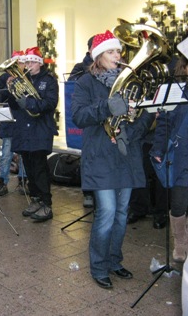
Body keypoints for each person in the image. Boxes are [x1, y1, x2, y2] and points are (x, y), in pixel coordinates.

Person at [71, 30, 154, 289]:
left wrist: (127, 131)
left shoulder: (130, 81)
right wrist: (109, 107)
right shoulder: (86, 82)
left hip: (125, 154)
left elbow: (145, 117)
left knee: (120, 214)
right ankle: (98, 266)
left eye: (118, 51)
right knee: (106, 213)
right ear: (98, 56)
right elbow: (79, 117)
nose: (117, 56)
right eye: (111, 52)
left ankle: (114, 261)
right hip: (100, 156)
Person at [10, 46, 59, 222]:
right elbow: (14, 105)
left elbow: (50, 103)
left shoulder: (49, 80)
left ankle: (47, 204)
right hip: (24, 129)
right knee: (29, 168)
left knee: (40, 168)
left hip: (40, 129)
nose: (29, 65)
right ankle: (36, 200)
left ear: (39, 64)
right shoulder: (22, 79)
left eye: (32, 62)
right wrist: (11, 93)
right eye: (27, 62)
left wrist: (29, 103)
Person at [150, 54, 188, 262]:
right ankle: (180, 243)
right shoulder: (176, 90)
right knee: (179, 201)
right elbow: (164, 121)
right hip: (182, 155)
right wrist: (158, 149)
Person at [0, 50, 28, 197]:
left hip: (23, 118)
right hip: (9, 118)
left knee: (24, 152)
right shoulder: (4, 77)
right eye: (15, 63)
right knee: (6, 153)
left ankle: (23, 181)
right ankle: (3, 182)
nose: (18, 66)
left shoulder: (28, 77)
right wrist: (8, 87)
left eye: (20, 63)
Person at [68, 35, 96, 209]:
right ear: (90, 49)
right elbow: (71, 85)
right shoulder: (80, 67)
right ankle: (88, 192)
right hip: (87, 119)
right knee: (87, 158)